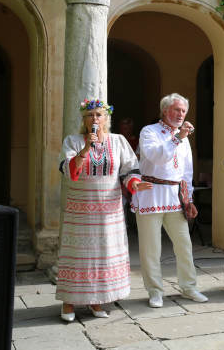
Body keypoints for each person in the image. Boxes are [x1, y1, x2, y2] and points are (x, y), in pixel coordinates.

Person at [57, 99, 152, 322]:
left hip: (109, 211)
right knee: (79, 256)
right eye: (90, 115)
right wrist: (86, 149)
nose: (95, 119)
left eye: (99, 115)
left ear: (106, 118)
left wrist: (134, 184)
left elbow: (129, 169)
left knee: (103, 256)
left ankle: (96, 299)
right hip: (80, 211)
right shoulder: (72, 141)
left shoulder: (118, 141)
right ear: (83, 120)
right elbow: (69, 170)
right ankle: (68, 302)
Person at [133, 93, 208, 307]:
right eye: (176, 110)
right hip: (151, 193)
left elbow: (186, 171)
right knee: (151, 248)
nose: (180, 114)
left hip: (175, 196)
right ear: (165, 110)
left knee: (184, 244)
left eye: (184, 111)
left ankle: (189, 287)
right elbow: (157, 156)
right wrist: (178, 138)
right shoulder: (149, 132)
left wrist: (189, 198)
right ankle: (155, 291)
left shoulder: (182, 138)